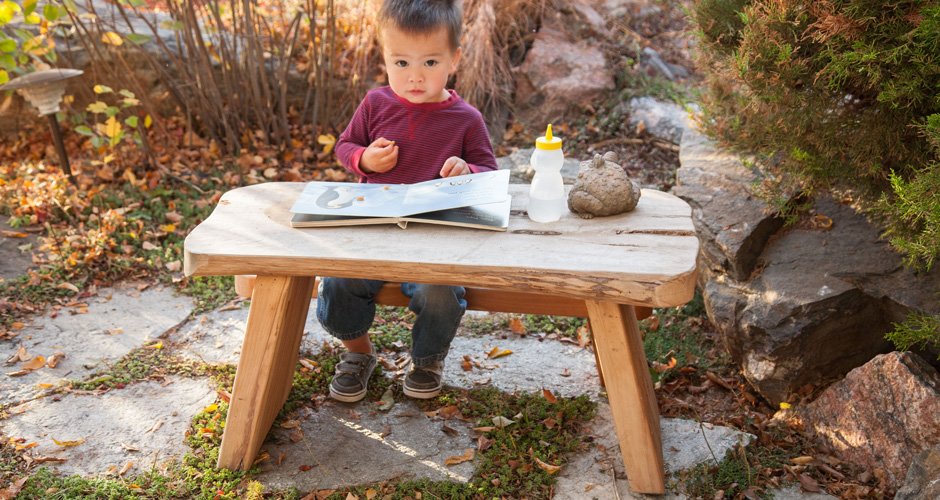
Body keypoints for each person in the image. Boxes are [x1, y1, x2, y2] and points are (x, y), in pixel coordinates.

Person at [317, 0, 497, 403]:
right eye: (401, 63)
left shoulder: (466, 119)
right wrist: (363, 158)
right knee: (338, 279)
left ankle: (427, 359)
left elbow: (489, 171)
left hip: (434, 238)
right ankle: (359, 353)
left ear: (454, 59)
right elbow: (345, 146)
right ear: (385, 58)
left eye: (430, 63)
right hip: (373, 230)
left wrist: (467, 171)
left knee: (440, 292)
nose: (414, 77)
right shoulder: (376, 104)